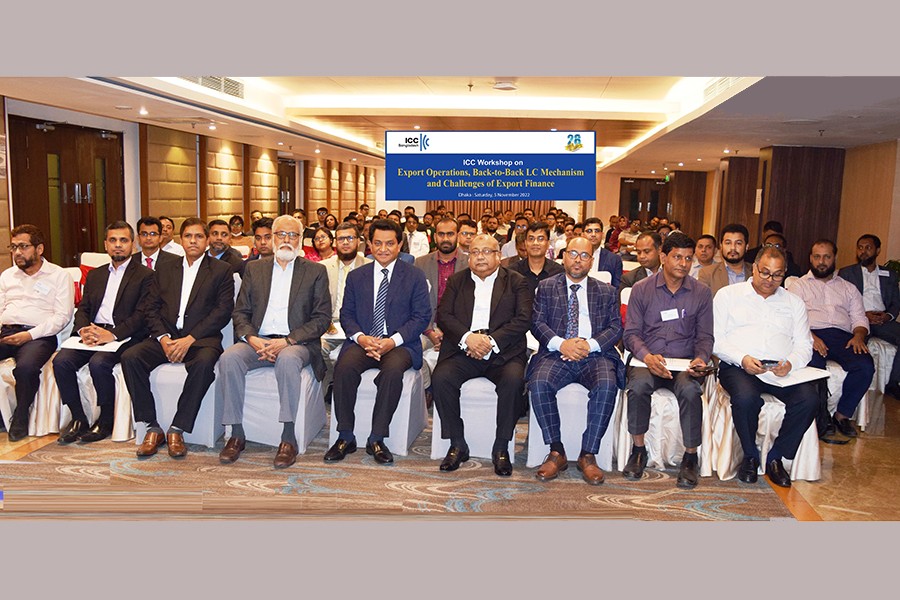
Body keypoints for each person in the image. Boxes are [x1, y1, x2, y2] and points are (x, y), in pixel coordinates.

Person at [216, 215, 332, 468]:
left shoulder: (315, 271)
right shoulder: (254, 269)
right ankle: (236, 433)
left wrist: (288, 341)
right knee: (229, 358)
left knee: (288, 361)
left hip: (295, 344)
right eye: (281, 234)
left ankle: (288, 438)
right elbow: (241, 312)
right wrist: (253, 339)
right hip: (257, 341)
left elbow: (321, 319)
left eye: (293, 236)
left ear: (301, 240)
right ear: (272, 237)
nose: (287, 240)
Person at [121, 218, 235, 460]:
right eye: (188, 236)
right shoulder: (165, 268)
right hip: (166, 338)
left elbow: (222, 311)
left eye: (198, 236)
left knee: (204, 364)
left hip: (201, 339)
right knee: (130, 357)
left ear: (206, 241)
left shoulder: (221, 271)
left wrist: (190, 339)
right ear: (179, 240)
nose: (193, 241)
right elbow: (150, 307)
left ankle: (177, 429)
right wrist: (163, 338)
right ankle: (152, 426)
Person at [325, 219, 431, 464]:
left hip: (400, 344)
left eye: (390, 243)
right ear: (369, 244)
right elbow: (347, 314)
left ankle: (377, 438)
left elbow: (421, 317)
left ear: (400, 244)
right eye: (378, 243)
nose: (383, 249)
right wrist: (362, 338)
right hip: (363, 341)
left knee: (392, 371)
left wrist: (391, 342)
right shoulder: (357, 276)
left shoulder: (414, 276)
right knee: (344, 368)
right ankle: (345, 435)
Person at [713, 246, 818, 488]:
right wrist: (742, 359)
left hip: (781, 370)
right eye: (765, 273)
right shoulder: (728, 295)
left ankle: (776, 458)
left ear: (785, 274)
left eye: (777, 275)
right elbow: (716, 340)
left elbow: (805, 344)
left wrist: (790, 363)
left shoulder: (794, 302)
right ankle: (750, 456)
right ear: (754, 268)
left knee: (809, 399)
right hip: (739, 366)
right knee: (747, 399)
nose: (770, 280)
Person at [527, 237, 625, 485]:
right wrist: (563, 344)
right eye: (573, 253)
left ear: (592, 260)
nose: (578, 259)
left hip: (595, 355)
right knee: (538, 382)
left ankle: (588, 454)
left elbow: (615, 328)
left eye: (584, 255)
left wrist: (587, 345)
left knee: (607, 385)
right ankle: (556, 451)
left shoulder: (607, 291)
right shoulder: (547, 287)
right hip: (556, 353)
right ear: (563, 256)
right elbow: (537, 324)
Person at [432, 234, 532, 476]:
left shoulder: (517, 282)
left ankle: (501, 447)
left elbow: (523, 319)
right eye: (475, 252)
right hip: (464, 348)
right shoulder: (457, 281)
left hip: (503, 352)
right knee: (441, 378)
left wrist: (491, 341)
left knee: (513, 381)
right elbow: (444, 316)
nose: (480, 257)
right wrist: (468, 338)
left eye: (486, 251)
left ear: (499, 255)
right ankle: (457, 443)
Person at [621, 233, 713, 488]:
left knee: (690, 390)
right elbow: (630, 334)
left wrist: (700, 358)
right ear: (663, 257)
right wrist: (647, 356)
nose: (683, 264)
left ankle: (690, 457)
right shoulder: (641, 290)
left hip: (684, 363)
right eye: (676, 257)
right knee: (637, 387)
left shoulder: (701, 293)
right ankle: (639, 450)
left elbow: (705, 336)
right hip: (647, 360)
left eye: (687, 258)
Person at [53, 222, 154, 444]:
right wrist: (83, 329)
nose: (118, 245)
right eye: (113, 240)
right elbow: (84, 309)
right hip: (93, 333)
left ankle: (106, 419)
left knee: (99, 363)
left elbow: (142, 315)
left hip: (124, 336)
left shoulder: (146, 276)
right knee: (61, 361)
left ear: (133, 244)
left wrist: (113, 335)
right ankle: (78, 418)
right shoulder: (96, 275)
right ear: (105, 244)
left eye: (123, 241)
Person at [788, 240, 874, 437]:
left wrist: (859, 335)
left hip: (844, 337)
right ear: (810, 258)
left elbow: (859, 317)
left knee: (865, 365)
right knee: (814, 366)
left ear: (834, 258)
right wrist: (811, 337)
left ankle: (842, 415)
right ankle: (821, 418)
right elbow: (791, 319)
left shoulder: (849, 288)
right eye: (817, 257)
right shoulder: (798, 286)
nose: (821, 262)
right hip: (810, 334)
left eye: (827, 257)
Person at [0, 225, 74, 442]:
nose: (17, 253)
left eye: (23, 246)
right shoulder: (7, 276)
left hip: (39, 336)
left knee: (26, 368)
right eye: (13, 247)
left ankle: (21, 417)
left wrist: (29, 335)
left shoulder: (59, 276)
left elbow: (62, 317)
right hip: (6, 332)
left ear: (39, 249)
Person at [839, 234, 900, 399]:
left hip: (882, 320)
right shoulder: (846, 273)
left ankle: (893, 383)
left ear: (877, 250)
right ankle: (854, 386)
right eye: (860, 248)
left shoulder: (890, 275)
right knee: (855, 346)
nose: (863, 252)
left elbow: (896, 303)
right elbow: (841, 302)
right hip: (859, 319)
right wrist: (863, 314)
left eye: (868, 248)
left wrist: (887, 316)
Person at [321, 223, 371, 400]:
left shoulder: (370, 267)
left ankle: (338, 384)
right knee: (318, 348)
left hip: (357, 327)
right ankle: (330, 381)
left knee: (347, 355)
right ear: (335, 242)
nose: (345, 243)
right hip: (329, 326)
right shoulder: (323, 267)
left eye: (350, 238)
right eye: (341, 238)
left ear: (359, 241)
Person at [415, 218, 467, 369]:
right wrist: (430, 331)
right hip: (426, 327)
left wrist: (451, 334)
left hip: (459, 329)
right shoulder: (420, 263)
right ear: (435, 236)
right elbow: (415, 303)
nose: (445, 239)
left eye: (450, 234)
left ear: (458, 235)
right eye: (441, 234)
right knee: (411, 352)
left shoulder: (470, 263)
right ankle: (425, 389)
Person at [509, 221, 565, 293]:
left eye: (540, 239)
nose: (535, 243)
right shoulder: (512, 272)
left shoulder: (559, 272)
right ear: (525, 243)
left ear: (548, 243)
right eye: (531, 239)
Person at [697, 223, 752, 296]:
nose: (733, 248)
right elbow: (702, 304)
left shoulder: (755, 272)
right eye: (728, 243)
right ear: (721, 246)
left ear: (746, 247)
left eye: (738, 243)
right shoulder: (707, 274)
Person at [583, 217, 623, 289]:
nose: (593, 234)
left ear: (602, 234)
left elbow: (616, 289)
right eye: (589, 231)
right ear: (582, 234)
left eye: (597, 231)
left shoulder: (614, 259)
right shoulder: (573, 257)